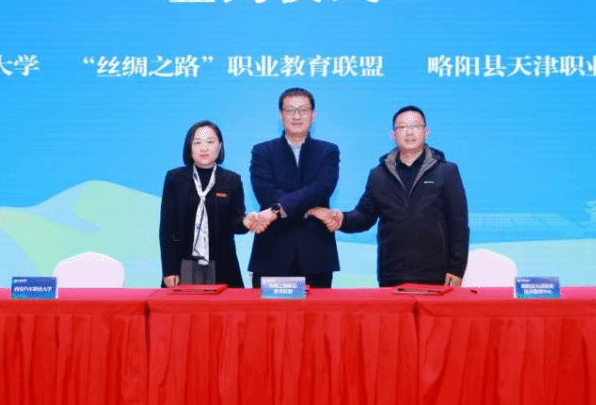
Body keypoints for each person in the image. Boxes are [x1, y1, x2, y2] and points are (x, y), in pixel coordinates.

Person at [310, 105, 469, 287]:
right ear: (393, 134)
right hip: (392, 273)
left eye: (415, 126)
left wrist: (456, 268)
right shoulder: (379, 174)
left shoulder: (446, 172)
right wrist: (341, 219)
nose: (409, 132)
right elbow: (364, 216)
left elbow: (458, 224)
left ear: (426, 132)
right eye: (402, 127)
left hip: (436, 274)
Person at [248, 87, 340, 288]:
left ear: (313, 115)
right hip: (271, 254)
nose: (297, 116)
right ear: (280, 115)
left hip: (316, 257)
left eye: (303, 110)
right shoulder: (262, 151)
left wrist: (277, 209)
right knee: (266, 311)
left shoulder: (328, 151)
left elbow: (321, 189)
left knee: (318, 310)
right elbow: (265, 192)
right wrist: (312, 210)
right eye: (290, 110)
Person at [159, 120, 257, 288]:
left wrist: (246, 221)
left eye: (210, 142)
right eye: (197, 142)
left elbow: (235, 224)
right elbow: (167, 227)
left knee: (226, 306)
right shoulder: (175, 179)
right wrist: (170, 269)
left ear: (220, 146)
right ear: (189, 147)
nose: (204, 148)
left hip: (223, 264)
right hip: (184, 265)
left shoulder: (232, 180)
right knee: (185, 306)